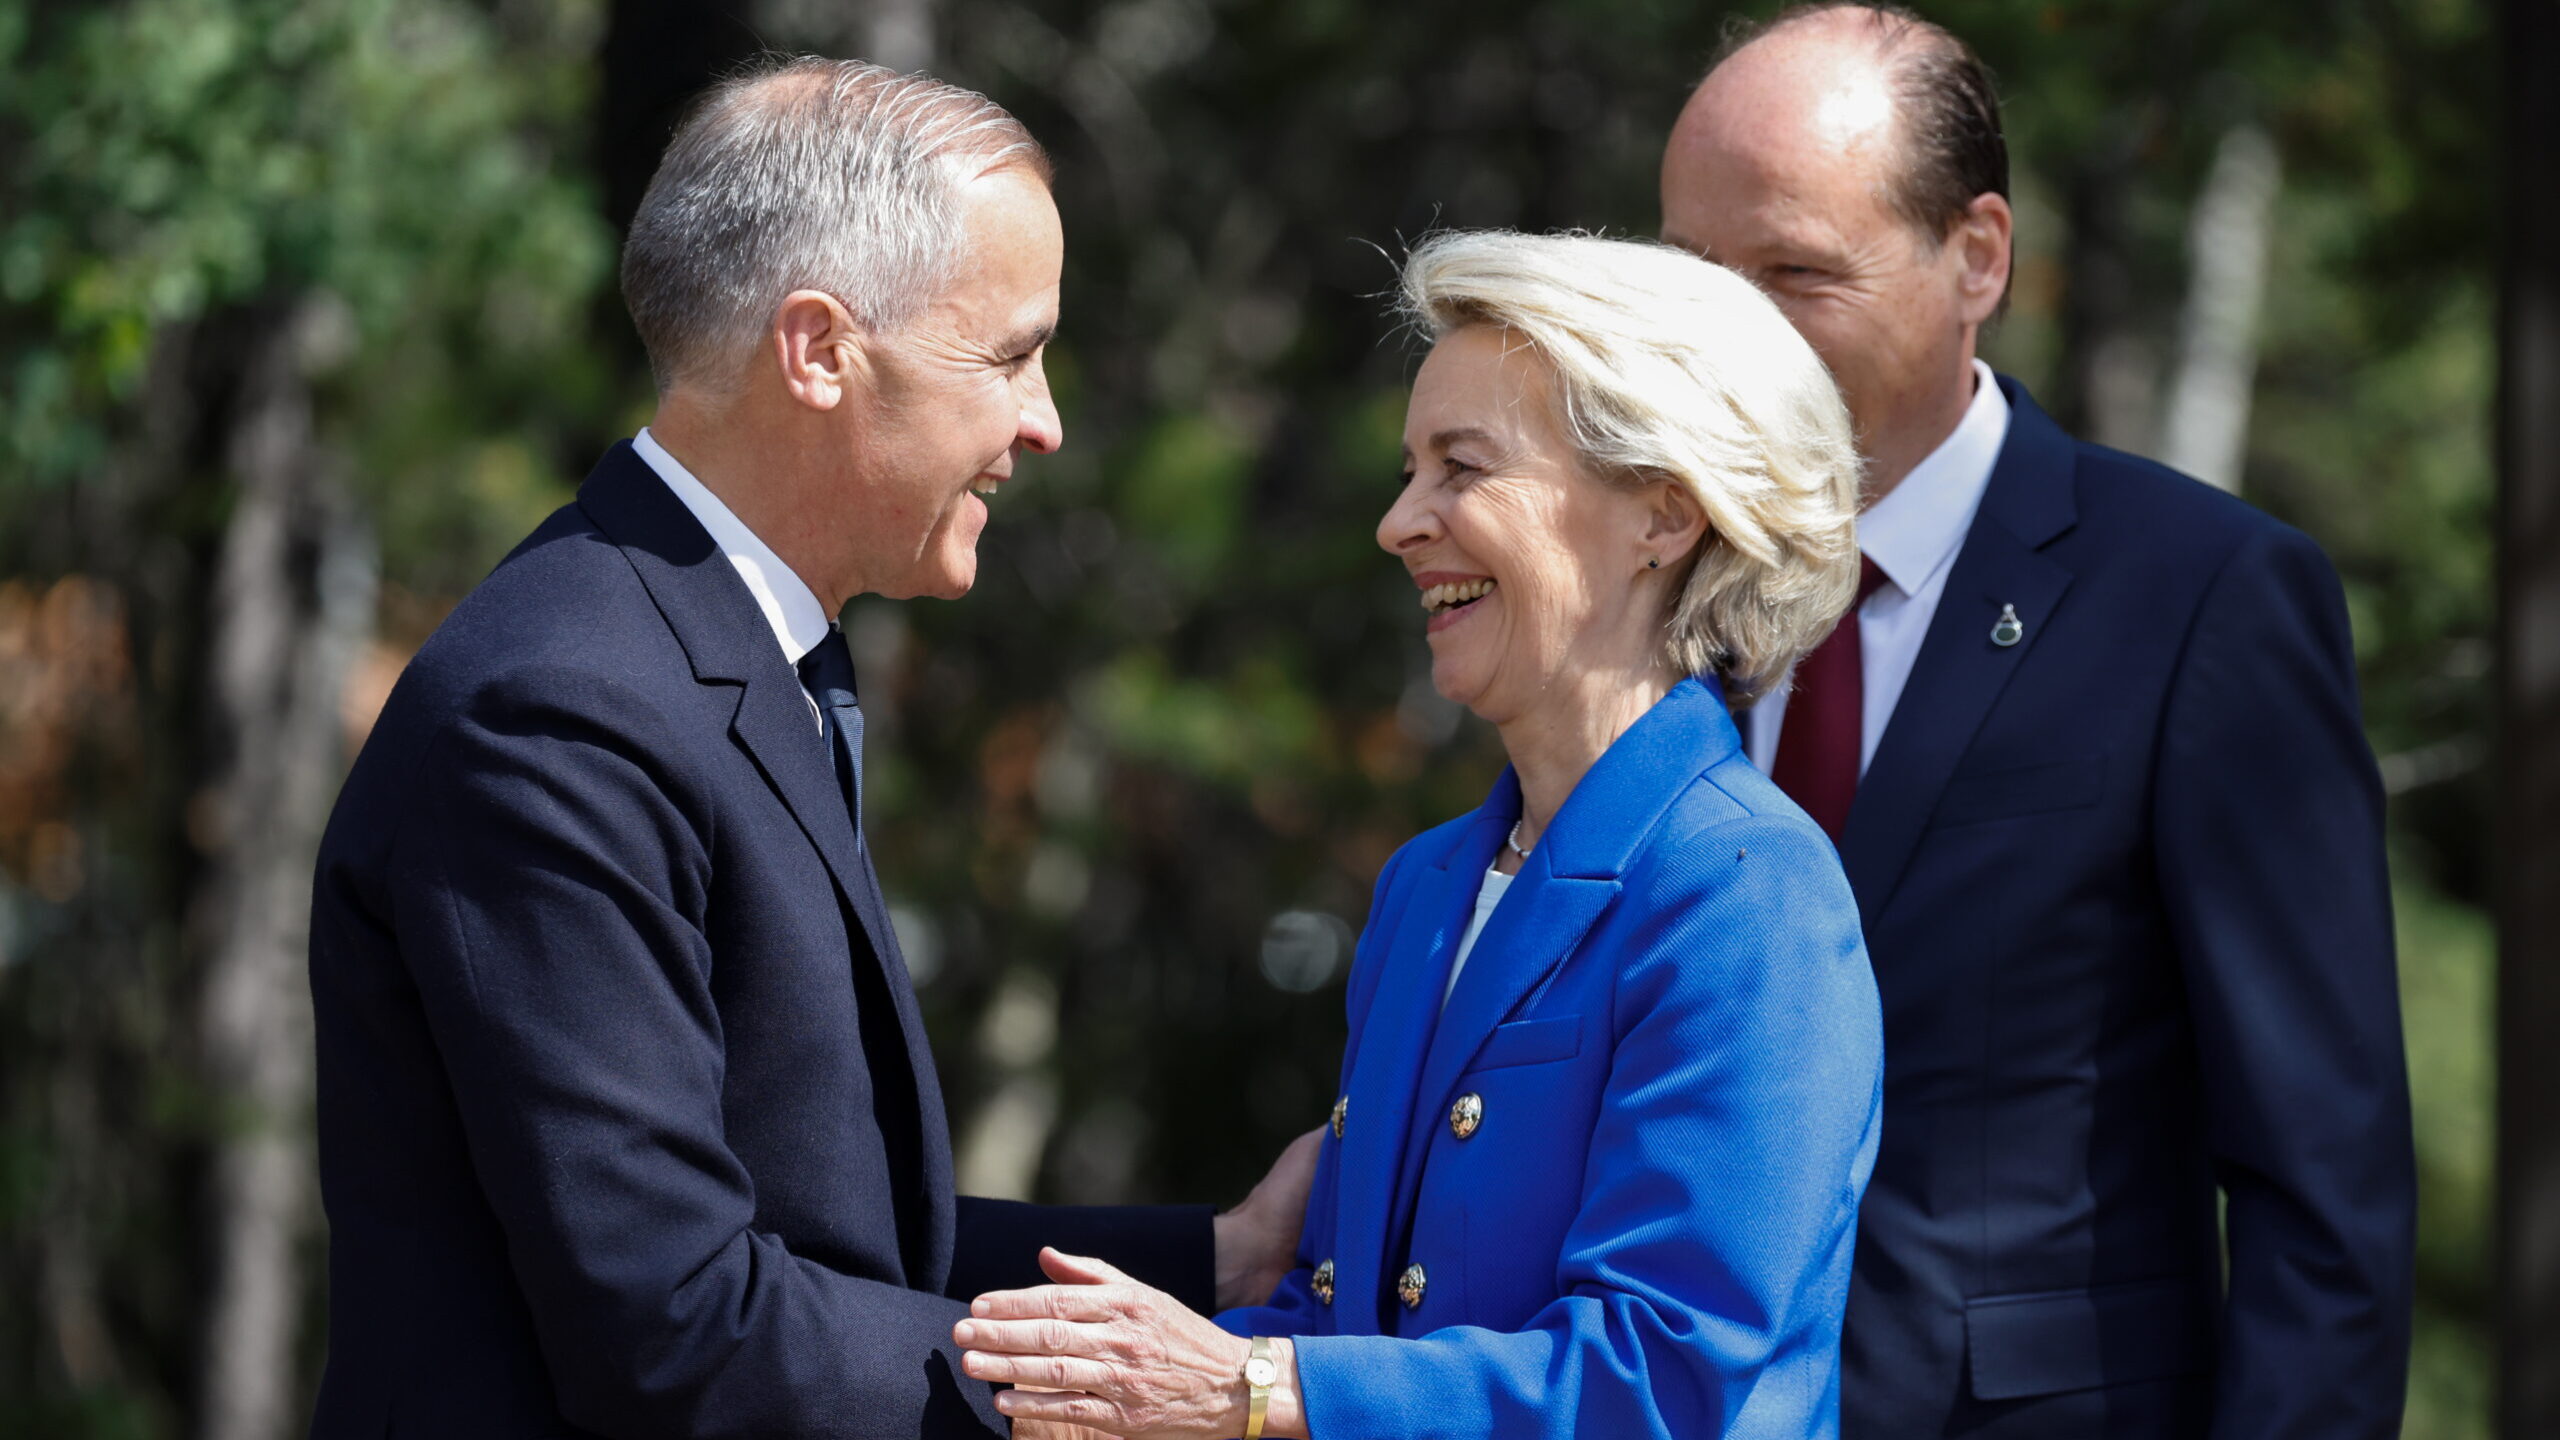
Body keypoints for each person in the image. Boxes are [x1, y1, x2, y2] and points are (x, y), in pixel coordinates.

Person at [305, 58, 1316, 1439]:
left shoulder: (715, 655)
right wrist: (1139, 1402)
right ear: (820, 351)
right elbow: (682, 1330)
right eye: (1008, 356)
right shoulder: (558, 718)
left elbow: (840, 1235)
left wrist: (1222, 1261)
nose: (1044, 422)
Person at [952, 230, 1885, 1440]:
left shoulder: (1747, 889)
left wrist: (1244, 1386)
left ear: (1662, 514)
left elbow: (1661, 1376)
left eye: (1462, 468)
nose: (1400, 523)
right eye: (1407, 472)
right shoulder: (1427, 883)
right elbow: (1335, 1315)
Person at [1657, 7, 2416, 1437]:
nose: (1730, 336)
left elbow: (2323, 1191)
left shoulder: (2198, 600)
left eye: (1796, 274)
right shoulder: (1640, 599)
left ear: (1978, 257)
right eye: (1694, 276)